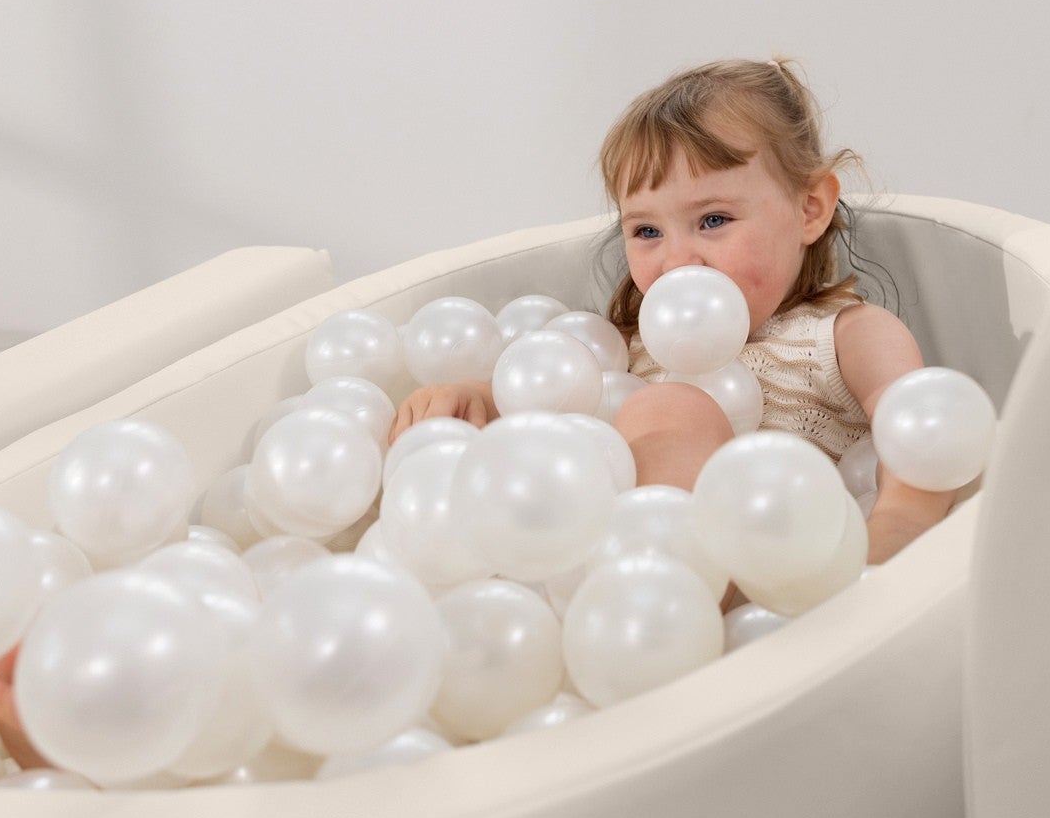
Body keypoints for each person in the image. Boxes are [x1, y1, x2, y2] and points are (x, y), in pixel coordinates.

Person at [394, 58, 958, 565]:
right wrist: (477, 397)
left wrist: (897, 531)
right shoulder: (624, 348)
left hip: (764, 571)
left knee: (671, 406)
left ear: (809, 208)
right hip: (595, 576)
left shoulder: (845, 336)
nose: (676, 259)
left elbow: (924, 432)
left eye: (713, 219)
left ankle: (665, 570)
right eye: (646, 231)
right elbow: (546, 412)